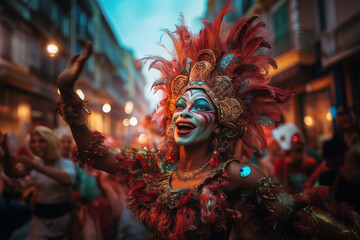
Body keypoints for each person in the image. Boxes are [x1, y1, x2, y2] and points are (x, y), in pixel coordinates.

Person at [55, 5, 359, 240]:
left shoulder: (235, 173)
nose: (185, 112)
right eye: (181, 105)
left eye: (199, 106)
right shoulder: (154, 166)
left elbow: (296, 214)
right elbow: (94, 153)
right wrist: (68, 93)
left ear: (219, 123)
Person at [0, 125, 76, 240]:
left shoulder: (65, 163)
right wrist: (6, 152)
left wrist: (36, 166)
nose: (36, 145)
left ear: (51, 142)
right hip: (40, 220)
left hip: (62, 220)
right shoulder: (35, 163)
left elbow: (66, 180)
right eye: (33, 142)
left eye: (41, 141)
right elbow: (13, 173)